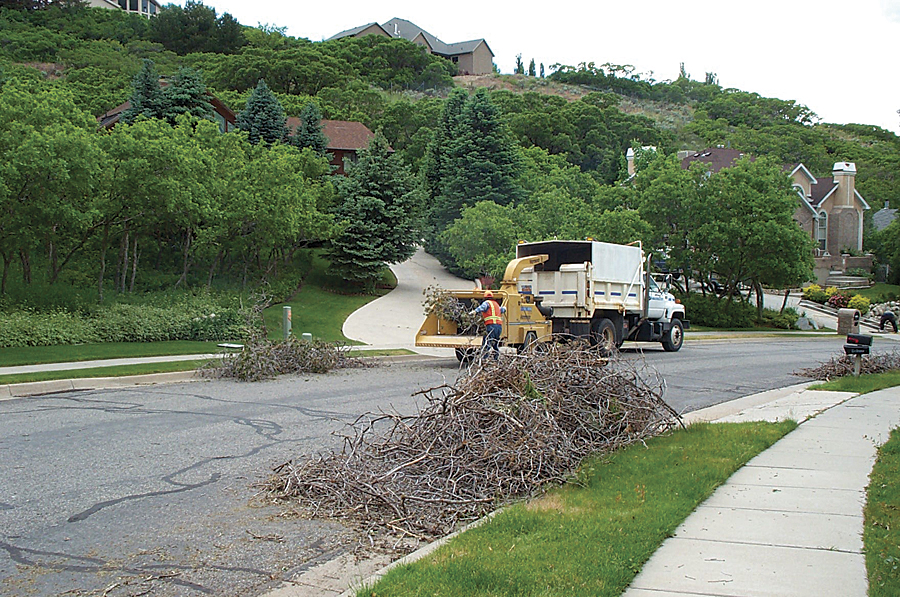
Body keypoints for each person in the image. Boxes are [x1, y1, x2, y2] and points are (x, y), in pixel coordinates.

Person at [470, 290, 506, 360]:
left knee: (487, 343)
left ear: (485, 297)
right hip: (498, 327)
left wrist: (475, 311)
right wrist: (504, 308)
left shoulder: (486, 303)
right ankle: (496, 359)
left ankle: (484, 360)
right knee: (495, 344)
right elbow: (501, 310)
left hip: (491, 326)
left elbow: (482, 308)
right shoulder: (496, 304)